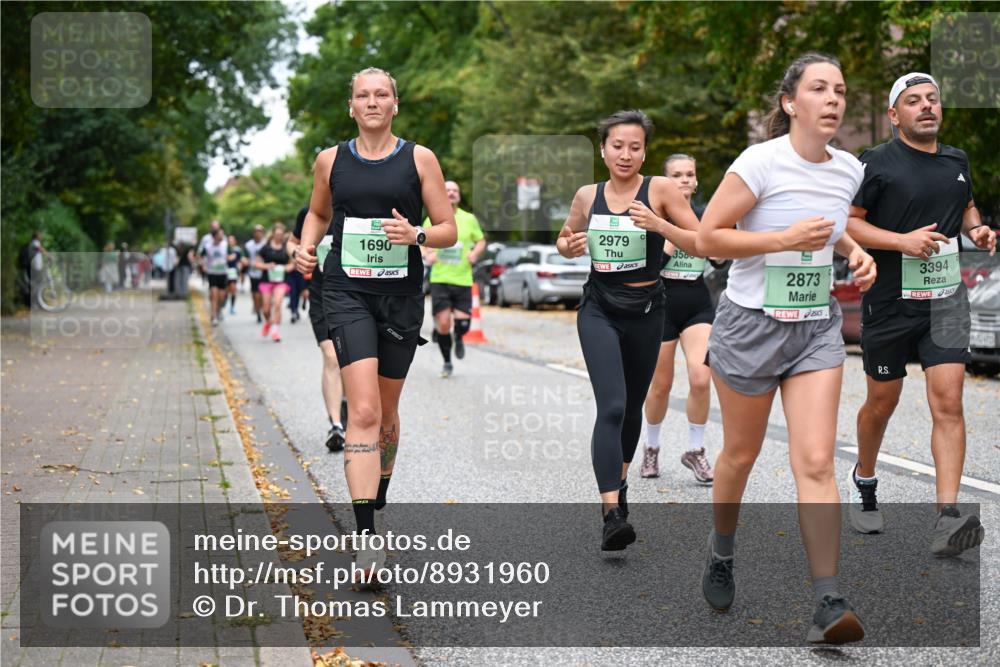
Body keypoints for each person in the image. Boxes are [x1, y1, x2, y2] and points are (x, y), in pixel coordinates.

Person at [696, 53, 875, 644]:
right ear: (790, 103)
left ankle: (828, 597)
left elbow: (828, 219)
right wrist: (782, 239)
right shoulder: (759, 162)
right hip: (750, 325)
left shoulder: (849, 169)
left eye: (840, 90)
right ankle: (722, 550)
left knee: (818, 461)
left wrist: (852, 250)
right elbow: (708, 238)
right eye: (819, 88)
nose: (833, 99)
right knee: (739, 457)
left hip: (815, 327)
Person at [296, 67, 456, 578]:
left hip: (401, 298)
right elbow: (318, 215)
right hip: (345, 292)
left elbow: (447, 227)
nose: (371, 102)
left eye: (380, 94)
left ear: (394, 104)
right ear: (351, 106)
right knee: (361, 411)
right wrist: (305, 247)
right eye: (362, 95)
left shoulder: (419, 158)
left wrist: (419, 237)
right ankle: (366, 540)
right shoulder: (330, 160)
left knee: (386, 413)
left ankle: (379, 483)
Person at [845, 72, 995, 554]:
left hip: (946, 299)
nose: (926, 106)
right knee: (881, 403)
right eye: (914, 101)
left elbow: (965, 205)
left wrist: (978, 230)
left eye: (932, 99)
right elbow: (849, 225)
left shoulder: (956, 159)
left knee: (948, 401)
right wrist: (900, 242)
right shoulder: (875, 162)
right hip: (890, 301)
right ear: (894, 115)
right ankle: (865, 480)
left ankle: (948, 518)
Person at [557, 109, 700, 552]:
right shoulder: (588, 195)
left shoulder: (659, 189)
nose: (625, 154)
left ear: (645, 152)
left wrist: (660, 225)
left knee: (634, 404)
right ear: (603, 149)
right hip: (599, 307)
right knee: (613, 406)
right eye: (617, 146)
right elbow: (565, 238)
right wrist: (569, 246)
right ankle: (610, 512)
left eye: (635, 147)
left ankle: (619, 488)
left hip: (647, 310)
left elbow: (701, 238)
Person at [640, 153, 716, 483]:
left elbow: (720, 258)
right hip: (662, 304)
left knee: (701, 378)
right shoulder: (652, 218)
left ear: (696, 180)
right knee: (661, 385)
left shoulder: (706, 218)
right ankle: (651, 447)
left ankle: (695, 451)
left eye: (690, 174)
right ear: (666, 181)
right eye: (677, 175)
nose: (685, 180)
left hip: (697, 303)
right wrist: (672, 234)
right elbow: (650, 268)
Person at [288, 204, 348, 453]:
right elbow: (292, 242)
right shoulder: (310, 213)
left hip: (356, 299)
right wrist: (298, 254)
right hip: (321, 297)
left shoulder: (359, 207)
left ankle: (347, 404)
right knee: (332, 356)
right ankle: (336, 425)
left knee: (352, 361)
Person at [421, 180, 486, 378]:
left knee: (463, 325)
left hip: (463, 279)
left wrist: (475, 253)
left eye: (455, 190)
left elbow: (481, 240)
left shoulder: (468, 219)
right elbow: (421, 238)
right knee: (442, 324)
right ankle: (447, 362)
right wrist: (426, 254)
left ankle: (458, 337)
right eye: (447, 190)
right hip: (440, 278)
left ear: (458, 195)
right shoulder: (432, 219)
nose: (451, 193)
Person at [255, 223, 292, 342]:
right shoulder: (266, 248)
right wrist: (267, 266)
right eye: (277, 234)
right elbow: (256, 264)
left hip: (281, 281)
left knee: (277, 303)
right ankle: (269, 322)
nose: (279, 236)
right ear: (273, 234)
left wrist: (287, 267)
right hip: (267, 281)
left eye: (281, 234)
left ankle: (275, 331)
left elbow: (293, 263)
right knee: (265, 309)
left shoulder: (286, 248)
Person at [201, 228, 229, 326]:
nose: (222, 236)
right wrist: (203, 265)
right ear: (215, 236)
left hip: (223, 273)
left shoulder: (225, 245)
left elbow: (232, 254)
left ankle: (218, 310)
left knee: (221, 297)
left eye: (223, 234)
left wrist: (231, 258)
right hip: (212, 273)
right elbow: (200, 256)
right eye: (220, 234)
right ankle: (214, 316)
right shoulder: (208, 246)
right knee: (214, 294)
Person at [245, 225, 267, 322]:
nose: (258, 233)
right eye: (256, 231)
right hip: (253, 272)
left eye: (260, 231)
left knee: (261, 294)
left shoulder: (266, 243)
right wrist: (247, 262)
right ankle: (257, 309)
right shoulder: (248, 245)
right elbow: (244, 258)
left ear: (262, 233)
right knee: (255, 294)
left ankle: (260, 308)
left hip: (264, 272)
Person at [226, 234, 243, 316]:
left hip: (233, 271)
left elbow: (238, 259)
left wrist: (239, 268)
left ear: (235, 241)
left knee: (233, 289)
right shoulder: (224, 249)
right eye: (229, 241)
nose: (230, 242)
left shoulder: (237, 250)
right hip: (224, 271)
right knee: (225, 290)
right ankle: (223, 302)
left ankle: (232, 306)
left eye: (232, 241)